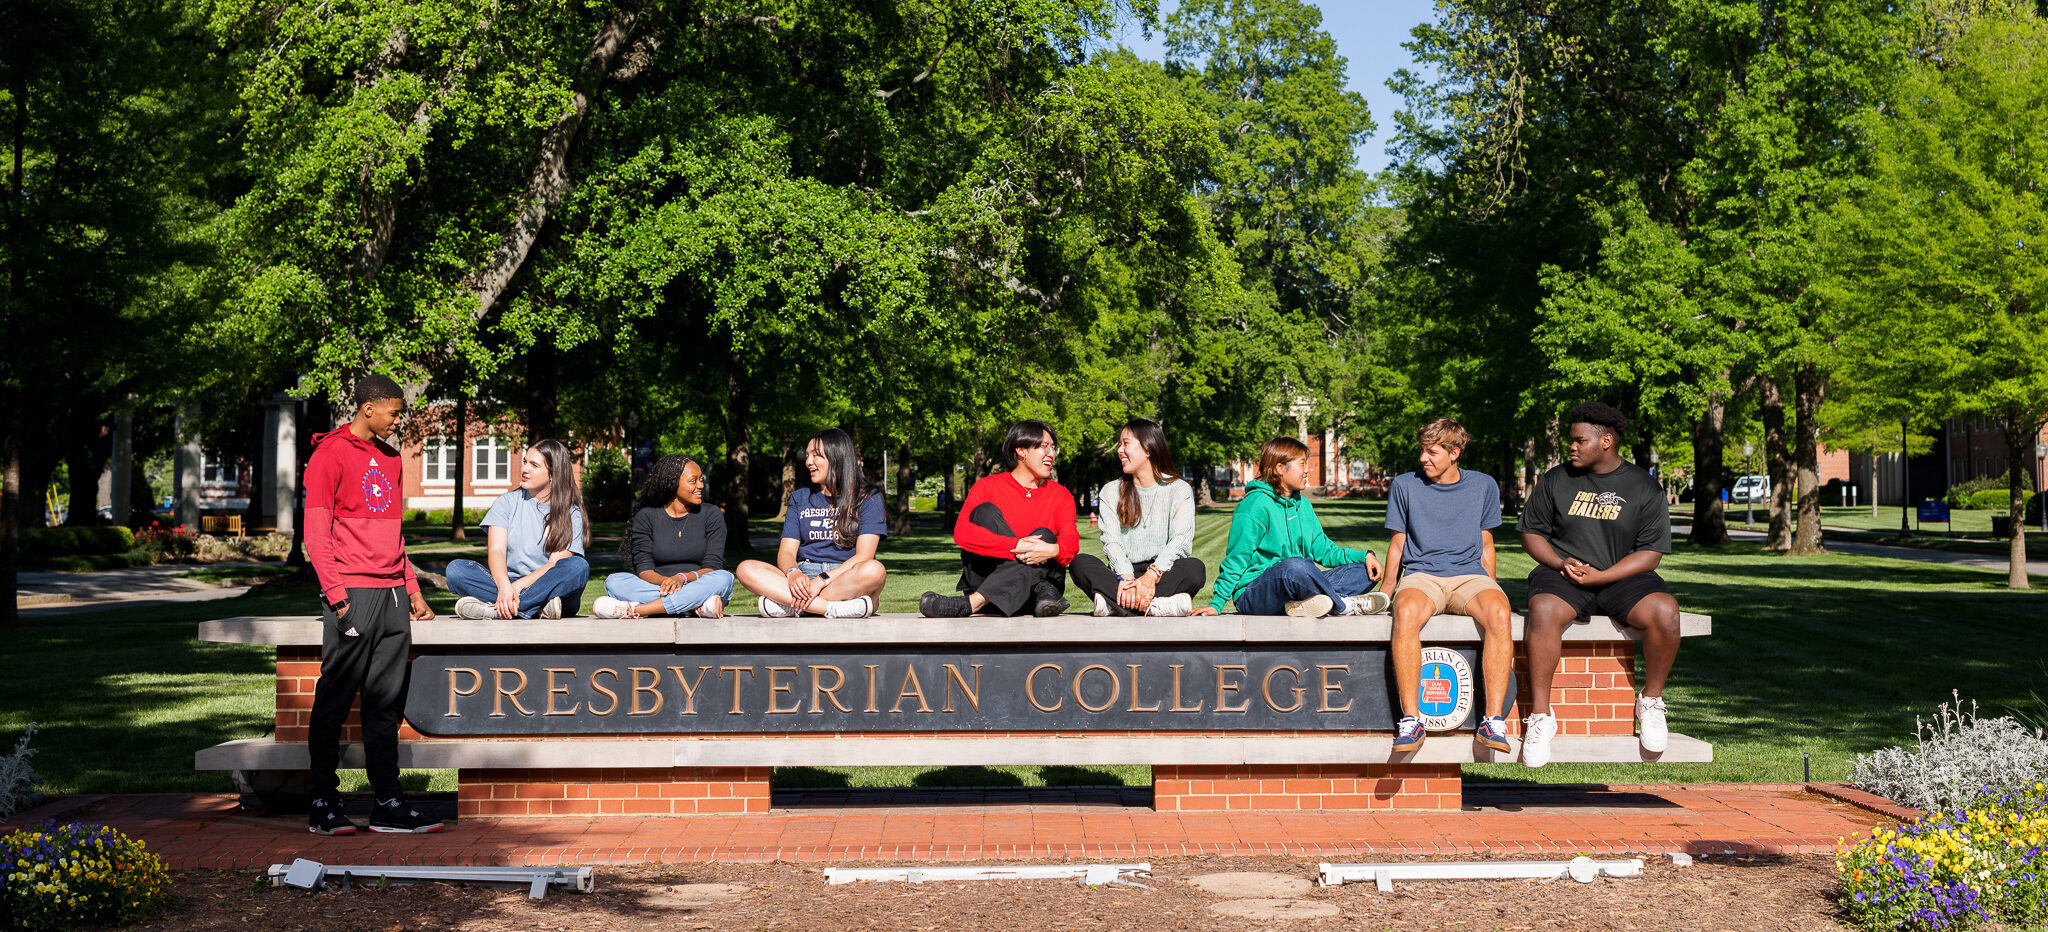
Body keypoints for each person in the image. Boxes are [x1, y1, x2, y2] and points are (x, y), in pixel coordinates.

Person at [302, 374, 441, 835]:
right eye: (394, 412)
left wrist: (413, 590)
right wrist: (339, 599)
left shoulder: (391, 459)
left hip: (393, 597)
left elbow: (395, 538)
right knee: (335, 701)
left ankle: (387, 802)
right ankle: (323, 802)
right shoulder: (329, 455)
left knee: (385, 703)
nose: (398, 420)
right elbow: (316, 535)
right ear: (368, 408)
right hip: (352, 594)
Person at [1518, 402, 1680, 768]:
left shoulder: (1643, 486)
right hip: (1565, 574)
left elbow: (1651, 553)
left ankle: (1651, 702)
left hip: (1621, 577)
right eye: (1570, 441)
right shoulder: (1556, 480)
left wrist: (1603, 576)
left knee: (1666, 611)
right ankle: (1541, 717)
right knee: (1543, 609)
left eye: (1579, 440)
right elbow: (1531, 534)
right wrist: (1561, 562)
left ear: (1606, 441)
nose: (1571, 447)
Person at [1374, 418, 1513, 755]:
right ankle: (1411, 720)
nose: (1423, 458)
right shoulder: (1405, 485)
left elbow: (1487, 544)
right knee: (1405, 612)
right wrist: (1386, 591)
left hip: (1469, 576)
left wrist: (1491, 586)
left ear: (1455, 453)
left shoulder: (1483, 485)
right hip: (1423, 576)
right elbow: (1397, 544)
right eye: (1422, 450)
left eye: (1432, 452)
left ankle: (1493, 722)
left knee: (1499, 611)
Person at [1195, 436, 1385, 617]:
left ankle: (1307, 604)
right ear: (1280, 468)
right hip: (1253, 592)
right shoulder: (1255, 505)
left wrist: (1364, 556)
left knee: (1363, 571)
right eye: (1302, 463)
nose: (1307, 470)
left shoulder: (1303, 505)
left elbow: (1325, 551)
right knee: (1295, 566)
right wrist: (1216, 604)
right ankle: (1343, 605)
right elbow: (1237, 558)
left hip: (1295, 583)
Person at [920, 420, 1079, 617]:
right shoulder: (986, 487)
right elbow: (962, 533)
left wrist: (1052, 549)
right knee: (984, 512)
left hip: (1032, 598)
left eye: (1054, 448)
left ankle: (969, 604)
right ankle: (1035, 587)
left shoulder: (1060, 495)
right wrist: (1017, 546)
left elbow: (1071, 544)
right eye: (1044, 447)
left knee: (1045, 537)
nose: (1052, 454)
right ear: (1021, 450)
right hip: (994, 583)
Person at [734, 428, 887, 618]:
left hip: (844, 577)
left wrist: (822, 580)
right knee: (746, 569)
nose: (808, 462)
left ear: (837, 457)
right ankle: (834, 608)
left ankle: (792, 605)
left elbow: (864, 556)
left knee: (874, 570)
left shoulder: (868, 497)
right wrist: (793, 574)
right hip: (803, 576)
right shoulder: (800, 497)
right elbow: (787, 552)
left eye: (816, 455)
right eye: (807, 456)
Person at [1067, 419, 1204, 617]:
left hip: (1162, 573)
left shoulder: (1178, 489)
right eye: (1120, 444)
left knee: (1195, 568)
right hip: (1122, 574)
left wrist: (1151, 575)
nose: (1119, 450)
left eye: (1126, 443)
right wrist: (1127, 578)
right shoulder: (1111, 491)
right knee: (1080, 563)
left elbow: (1180, 541)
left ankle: (1113, 605)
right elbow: (1111, 541)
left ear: (1148, 448)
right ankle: (1157, 606)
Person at [449, 439, 591, 619]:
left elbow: (553, 565)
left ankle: (495, 611)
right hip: (508, 584)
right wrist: (504, 585)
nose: (524, 469)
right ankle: (536, 609)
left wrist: (514, 589)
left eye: (534, 465)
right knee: (456, 570)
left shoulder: (571, 513)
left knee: (578, 567)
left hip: (550, 588)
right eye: (525, 462)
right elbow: (496, 550)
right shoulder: (505, 503)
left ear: (552, 474)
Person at [591, 454, 734, 618]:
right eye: (693, 481)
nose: (701, 485)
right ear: (673, 483)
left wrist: (682, 579)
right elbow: (644, 570)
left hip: (699, 583)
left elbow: (712, 566)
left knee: (724, 578)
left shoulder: (711, 514)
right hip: (658, 587)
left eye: (701, 480)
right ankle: (696, 606)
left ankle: (638, 610)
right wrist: (669, 584)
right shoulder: (646, 517)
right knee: (614, 581)